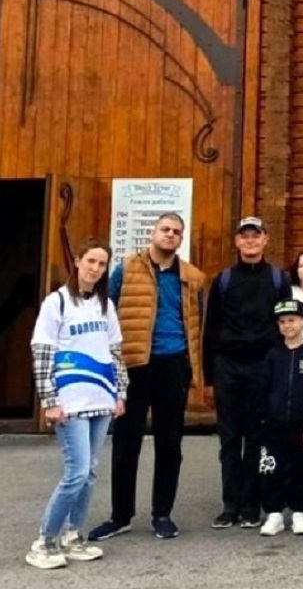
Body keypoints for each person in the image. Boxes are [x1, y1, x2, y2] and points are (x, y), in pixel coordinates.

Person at [91, 212, 204, 543]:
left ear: (181, 240)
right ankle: (120, 515)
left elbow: (199, 321)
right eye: (165, 229)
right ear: (153, 233)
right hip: (134, 364)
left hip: (173, 364)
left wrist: (191, 366)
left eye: (177, 232)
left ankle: (162, 514)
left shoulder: (193, 277)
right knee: (127, 441)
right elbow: (104, 312)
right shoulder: (126, 269)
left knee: (170, 443)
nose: (170, 235)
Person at [26, 240, 128, 570]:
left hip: (101, 398)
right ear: (77, 261)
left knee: (90, 473)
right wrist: (49, 401)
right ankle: (45, 540)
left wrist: (120, 393)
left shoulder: (105, 306)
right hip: (69, 402)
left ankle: (73, 535)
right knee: (76, 472)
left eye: (102, 264)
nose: (96, 269)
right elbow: (42, 353)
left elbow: (115, 352)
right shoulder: (56, 303)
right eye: (91, 262)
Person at [203, 216, 290, 529]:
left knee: (256, 437)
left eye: (256, 235)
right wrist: (209, 379)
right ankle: (230, 505)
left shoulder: (280, 280)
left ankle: (252, 505)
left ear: (266, 239)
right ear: (237, 242)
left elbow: (286, 328)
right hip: (227, 366)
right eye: (245, 236)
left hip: (262, 367)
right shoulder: (223, 280)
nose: (251, 241)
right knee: (229, 438)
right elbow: (209, 330)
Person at [258, 299, 303, 536]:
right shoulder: (273, 354)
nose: (288, 326)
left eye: (292, 320)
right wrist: (264, 414)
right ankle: (274, 514)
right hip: (274, 423)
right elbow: (264, 386)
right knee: (270, 467)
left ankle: (299, 512)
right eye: (283, 322)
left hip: (302, 424)